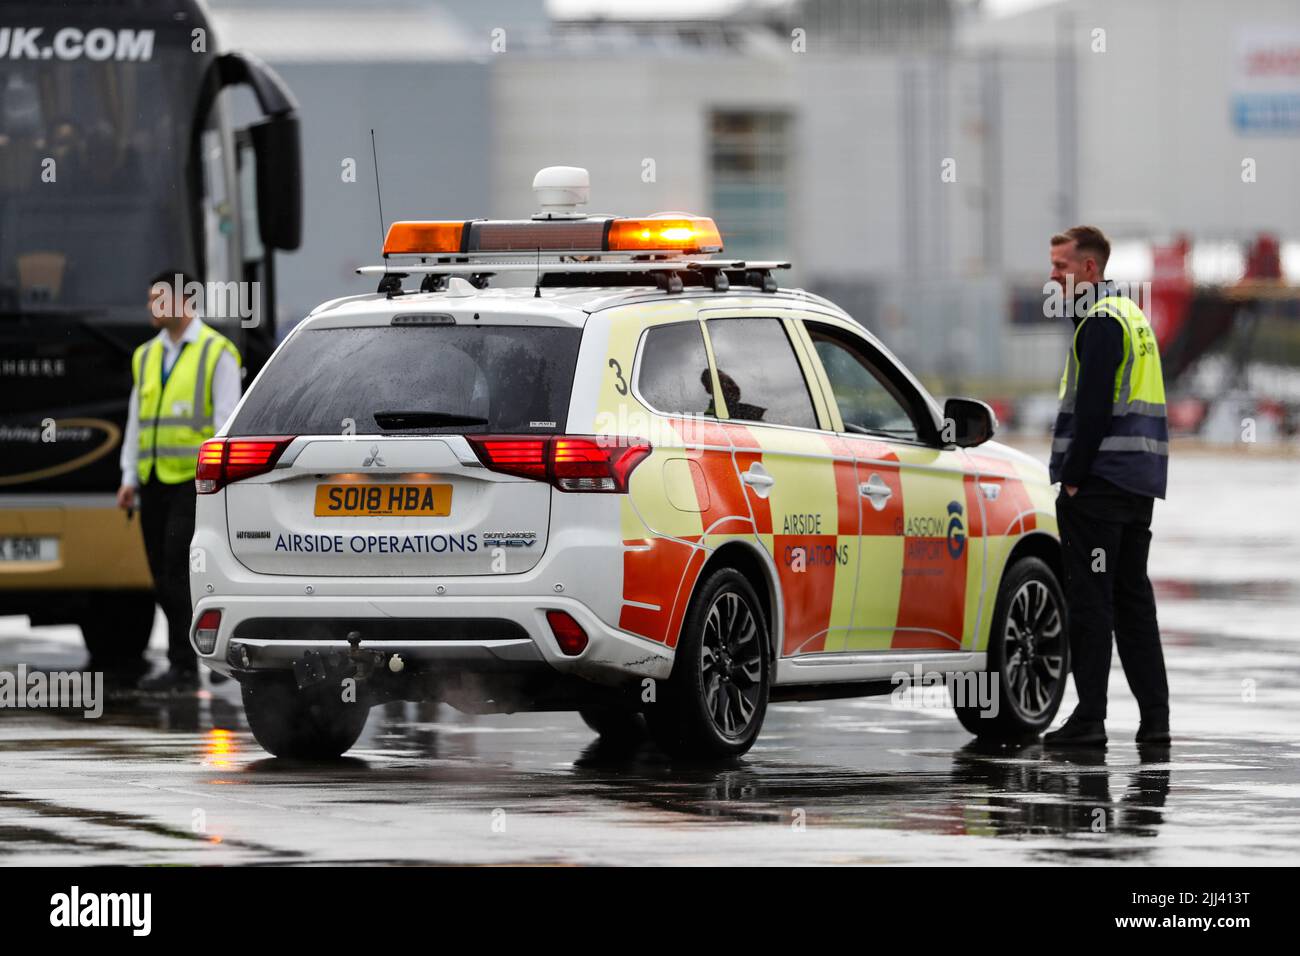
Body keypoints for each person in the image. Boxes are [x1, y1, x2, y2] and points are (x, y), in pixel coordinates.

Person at [1042, 226, 1171, 748]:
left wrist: (1071, 479)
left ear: (1090, 270)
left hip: (1098, 487)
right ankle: (1155, 721)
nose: (1053, 276)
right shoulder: (1131, 315)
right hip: (1137, 485)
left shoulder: (1099, 323)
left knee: (1091, 602)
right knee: (1133, 601)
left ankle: (1090, 718)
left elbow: (1093, 409)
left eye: (1062, 267)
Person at [116, 271, 241, 692]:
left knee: (177, 571)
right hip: (153, 481)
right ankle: (185, 664)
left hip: (192, 483)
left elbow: (226, 421)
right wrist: (129, 476)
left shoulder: (216, 352)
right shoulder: (145, 356)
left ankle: (192, 661)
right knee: (159, 575)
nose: (151, 307)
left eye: (158, 299)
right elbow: (136, 421)